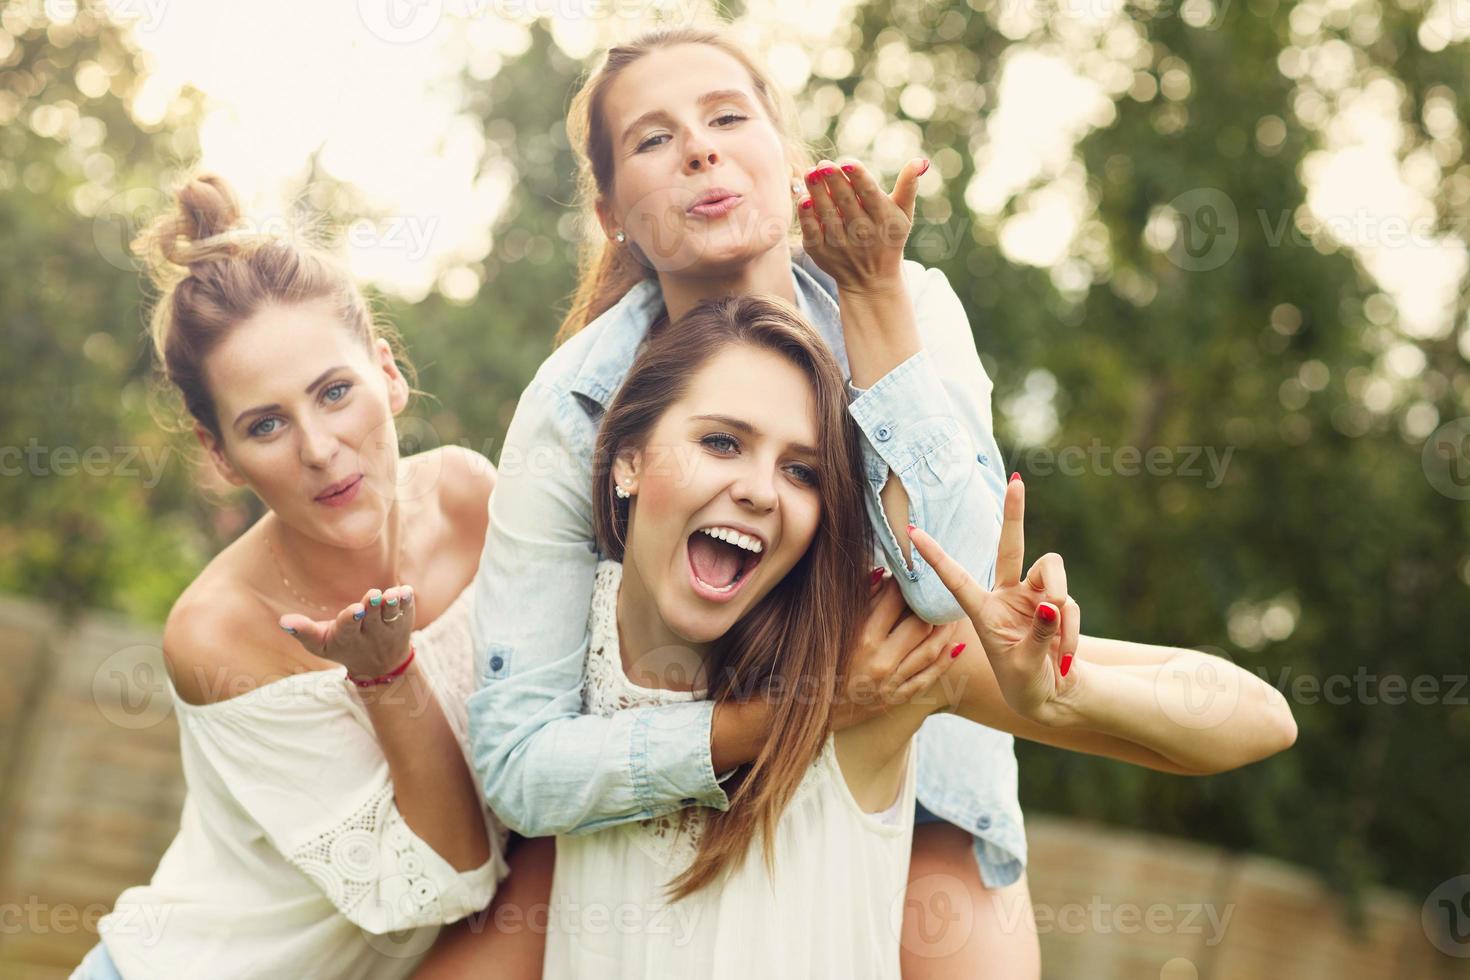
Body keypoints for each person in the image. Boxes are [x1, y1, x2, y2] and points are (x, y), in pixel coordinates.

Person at [464, 25, 1039, 975]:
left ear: (787, 156)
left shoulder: (914, 305)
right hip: (699, 805)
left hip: (925, 771)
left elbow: (957, 592)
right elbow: (519, 760)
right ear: (612, 215)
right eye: (653, 140)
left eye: (728, 117)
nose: (698, 147)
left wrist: (875, 305)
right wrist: (791, 716)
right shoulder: (573, 411)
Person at [533, 294, 1297, 976]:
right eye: (722, 443)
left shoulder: (871, 656)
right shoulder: (540, 654)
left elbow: (1259, 719)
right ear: (627, 459)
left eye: (802, 472)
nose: (760, 490)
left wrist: (1059, 695)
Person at [74, 174, 538, 979]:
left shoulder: (472, 501)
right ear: (219, 453)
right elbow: (439, 884)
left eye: (334, 392)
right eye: (265, 425)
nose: (319, 448)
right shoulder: (220, 630)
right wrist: (387, 675)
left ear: (386, 376)